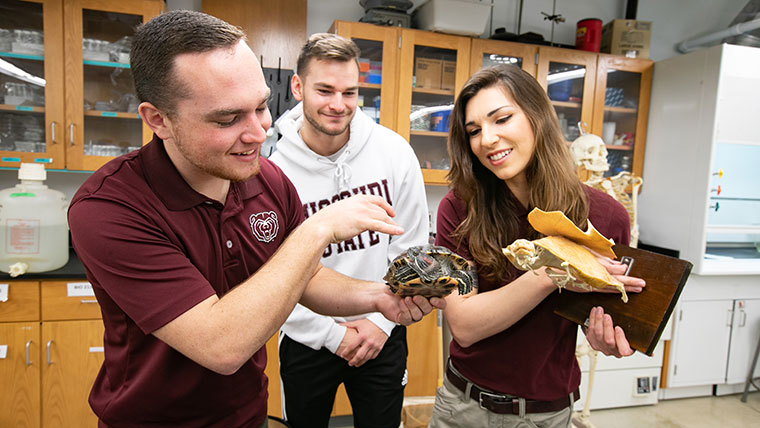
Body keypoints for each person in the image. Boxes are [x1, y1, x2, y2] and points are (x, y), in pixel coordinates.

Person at [67, 11, 443, 428]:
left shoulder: (265, 179)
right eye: (228, 119)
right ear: (158, 120)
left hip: (248, 416)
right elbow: (221, 345)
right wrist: (318, 229)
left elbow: (307, 277)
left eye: (261, 106)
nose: (260, 133)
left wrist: (379, 298)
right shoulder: (111, 208)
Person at [428, 65, 646, 428]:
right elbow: (464, 325)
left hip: (549, 414)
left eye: (502, 119)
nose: (487, 139)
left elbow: (605, 317)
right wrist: (553, 271)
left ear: (537, 117)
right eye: (474, 130)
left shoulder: (606, 216)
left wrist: (605, 335)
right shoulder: (458, 209)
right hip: (464, 408)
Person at [268, 33, 429, 428]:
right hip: (307, 336)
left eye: (350, 92)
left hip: (383, 329)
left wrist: (381, 323)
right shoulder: (273, 171)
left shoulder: (394, 152)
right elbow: (273, 275)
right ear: (298, 87)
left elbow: (411, 249)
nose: (338, 105)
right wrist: (330, 335)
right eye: (325, 90)